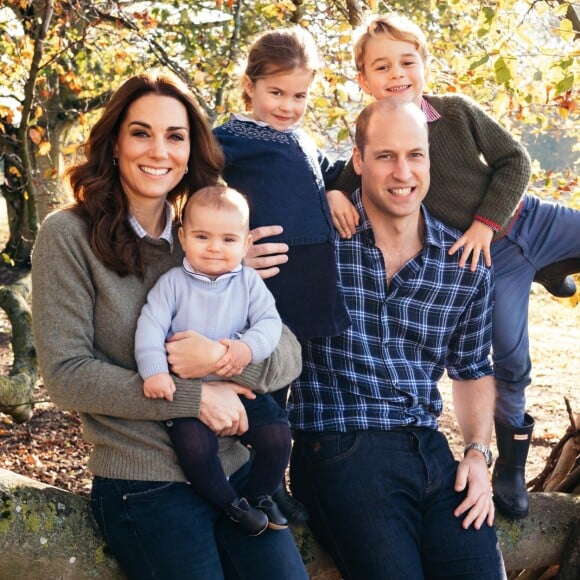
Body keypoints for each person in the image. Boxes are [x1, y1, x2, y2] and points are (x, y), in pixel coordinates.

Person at [31, 70, 309, 580]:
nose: (158, 151)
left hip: (236, 467)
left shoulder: (209, 235)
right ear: (114, 143)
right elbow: (67, 374)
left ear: (191, 150)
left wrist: (225, 362)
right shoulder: (67, 235)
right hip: (144, 480)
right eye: (141, 132)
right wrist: (196, 397)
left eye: (175, 136)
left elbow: (288, 352)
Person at [325, 12, 580, 519]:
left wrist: (487, 220)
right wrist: (333, 190)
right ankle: (510, 461)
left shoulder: (457, 112)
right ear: (363, 80)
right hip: (489, 260)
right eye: (382, 66)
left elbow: (516, 161)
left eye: (407, 61)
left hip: (525, 220)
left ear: (424, 63)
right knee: (508, 356)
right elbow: (338, 170)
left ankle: (551, 266)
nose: (397, 73)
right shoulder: (375, 141)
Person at [247, 98, 505, 579]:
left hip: (429, 449)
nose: (402, 171)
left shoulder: (462, 265)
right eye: (385, 156)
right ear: (359, 161)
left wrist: (476, 452)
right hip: (338, 446)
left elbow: (472, 368)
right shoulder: (316, 246)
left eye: (415, 155)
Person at [213, 27, 350, 522]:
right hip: (268, 281)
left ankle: (276, 481)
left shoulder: (302, 137)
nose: (289, 106)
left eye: (300, 95)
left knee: (288, 385)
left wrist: (335, 189)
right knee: (261, 385)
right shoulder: (229, 139)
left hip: (309, 281)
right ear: (249, 86)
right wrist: (229, 249)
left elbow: (330, 169)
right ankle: (256, 482)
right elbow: (197, 195)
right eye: (276, 93)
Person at [135, 185, 290, 536]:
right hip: (187, 392)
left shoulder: (249, 283)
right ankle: (230, 505)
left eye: (228, 239)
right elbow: (150, 327)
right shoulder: (172, 284)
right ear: (183, 236)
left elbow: (269, 324)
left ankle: (260, 495)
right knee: (195, 448)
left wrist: (245, 349)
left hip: (236, 387)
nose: (215, 248)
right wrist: (155, 372)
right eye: (202, 236)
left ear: (246, 244)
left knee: (277, 435)